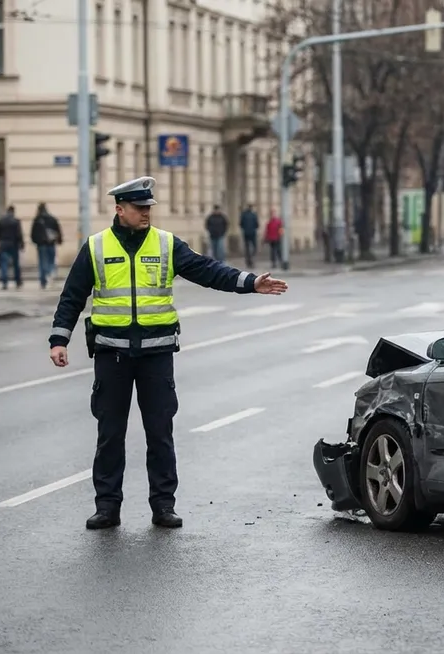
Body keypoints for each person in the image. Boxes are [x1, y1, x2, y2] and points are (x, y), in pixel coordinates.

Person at [47, 176, 289, 531]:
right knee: (110, 435)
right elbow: (73, 295)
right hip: (111, 356)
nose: (146, 213)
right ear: (120, 210)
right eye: (139, 208)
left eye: (148, 208)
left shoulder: (165, 244)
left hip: (156, 356)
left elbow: (207, 270)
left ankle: (163, 506)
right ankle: (107, 507)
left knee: (159, 433)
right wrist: (59, 339)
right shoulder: (97, 247)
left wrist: (249, 282)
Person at [31, 203, 63, 289]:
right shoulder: (52, 219)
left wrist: (36, 241)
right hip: (51, 243)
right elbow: (58, 230)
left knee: (42, 262)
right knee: (51, 260)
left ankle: (43, 281)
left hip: (41, 244)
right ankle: (50, 273)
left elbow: (33, 233)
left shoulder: (37, 220)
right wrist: (59, 240)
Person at [0, 206, 24, 290]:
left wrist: (1, 239)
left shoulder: (1, 221)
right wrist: (21, 244)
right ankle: (17, 281)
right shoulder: (16, 221)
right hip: (13, 244)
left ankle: (4, 282)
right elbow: (19, 234)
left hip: (3, 244)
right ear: (13, 212)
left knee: (4, 264)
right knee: (16, 264)